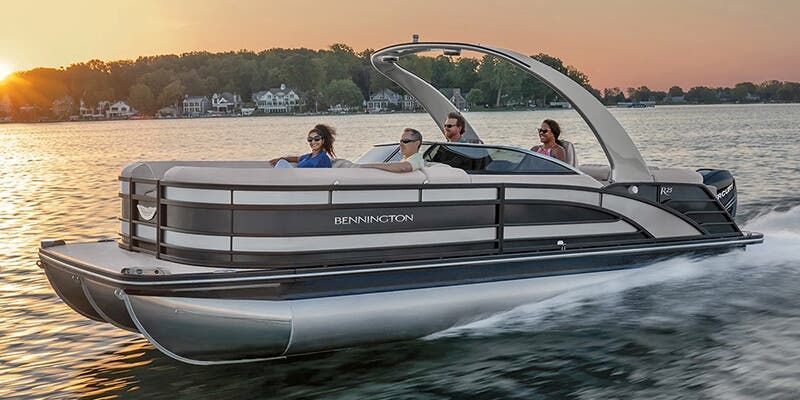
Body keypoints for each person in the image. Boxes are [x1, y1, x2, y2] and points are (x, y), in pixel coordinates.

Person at [270, 124, 336, 168]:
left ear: (323, 141)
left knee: (282, 163)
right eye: (310, 139)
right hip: (298, 181)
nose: (313, 142)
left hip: (305, 183)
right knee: (282, 162)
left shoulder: (323, 158)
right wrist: (282, 158)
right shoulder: (308, 157)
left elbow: (326, 176)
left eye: (317, 139)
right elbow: (297, 158)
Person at [359, 128, 424, 173]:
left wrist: (370, 166)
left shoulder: (417, 159)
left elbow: (404, 167)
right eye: (400, 141)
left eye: (405, 141)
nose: (401, 144)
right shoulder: (407, 159)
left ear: (417, 143)